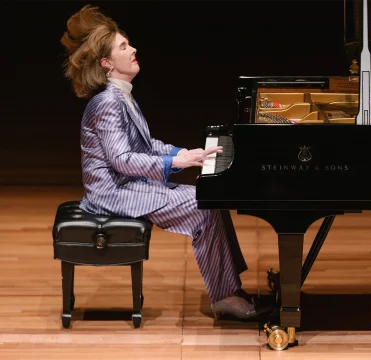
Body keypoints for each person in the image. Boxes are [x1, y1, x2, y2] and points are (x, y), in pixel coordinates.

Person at [60, 5, 268, 320]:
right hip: (113, 195)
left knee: (212, 200)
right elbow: (122, 159)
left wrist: (185, 154)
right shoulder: (107, 103)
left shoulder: (120, 96)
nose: (133, 49)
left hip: (127, 186)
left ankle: (230, 287)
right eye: (123, 47)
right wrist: (175, 162)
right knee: (204, 206)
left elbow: (146, 145)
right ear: (106, 63)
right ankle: (225, 296)